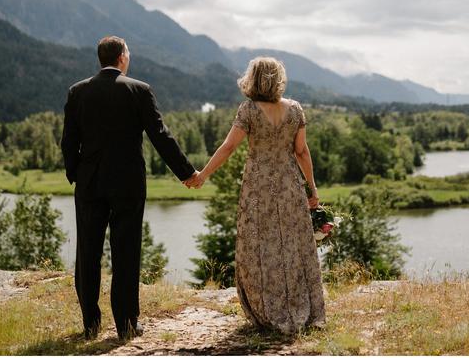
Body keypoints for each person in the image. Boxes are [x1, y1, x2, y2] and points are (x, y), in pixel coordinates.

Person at [61, 36, 200, 341]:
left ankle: (90, 324)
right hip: (127, 183)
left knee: (88, 252)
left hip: (90, 183)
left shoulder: (78, 91)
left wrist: (76, 175)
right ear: (122, 57)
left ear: (102, 59)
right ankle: (126, 324)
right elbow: (160, 135)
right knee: (125, 252)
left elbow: (69, 140)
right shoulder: (139, 90)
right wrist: (186, 173)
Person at [189, 56, 326, 334]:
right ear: (279, 78)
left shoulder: (249, 110)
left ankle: (267, 309)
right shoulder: (296, 109)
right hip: (290, 185)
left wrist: (203, 174)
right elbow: (301, 152)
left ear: (253, 78)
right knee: (294, 245)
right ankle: (300, 306)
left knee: (260, 246)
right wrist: (312, 187)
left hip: (258, 187)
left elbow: (228, 147)